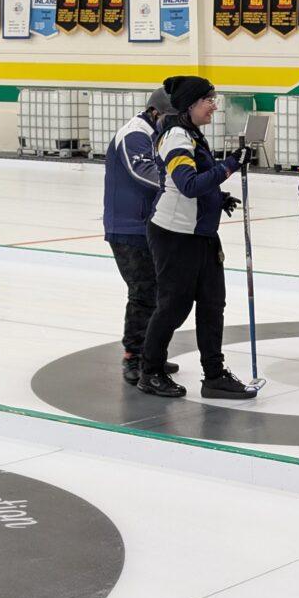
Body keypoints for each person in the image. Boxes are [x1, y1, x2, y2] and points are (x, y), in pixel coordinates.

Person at [138, 75, 255, 400]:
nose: (214, 106)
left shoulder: (191, 134)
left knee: (212, 304)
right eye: (208, 100)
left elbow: (199, 183)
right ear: (190, 104)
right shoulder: (176, 136)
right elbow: (188, 184)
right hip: (175, 234)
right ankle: (151, 371)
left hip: (200, 233)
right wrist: (230, 165)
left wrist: (217, 197)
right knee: (173, 307)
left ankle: (214, 375)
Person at [103, 87, 180, 385]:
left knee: (160, 291)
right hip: (128, 228)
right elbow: (141, 171)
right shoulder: (135, 133)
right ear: (156, 113)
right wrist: (181, 181)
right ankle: (133, 356)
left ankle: (151, 353)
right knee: (143, 291)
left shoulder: (159, 133)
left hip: (151, 224)